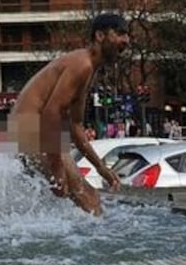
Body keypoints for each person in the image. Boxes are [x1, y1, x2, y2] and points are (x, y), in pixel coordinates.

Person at [8, 13, 129, 215]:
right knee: (87, 199)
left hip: (28, 131)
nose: (126, 40)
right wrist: (57, 168)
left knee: (89, 198)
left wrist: (100, 168)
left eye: (127, 35)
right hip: (29, 130)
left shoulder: (88, 68)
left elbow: (75, 126)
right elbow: (51, 112)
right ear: (100, 36)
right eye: (120, 33)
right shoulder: (82, 64)